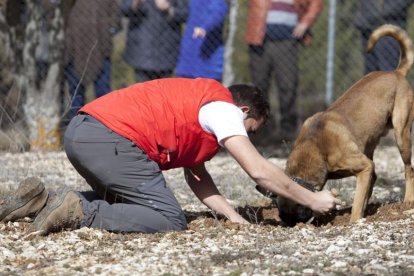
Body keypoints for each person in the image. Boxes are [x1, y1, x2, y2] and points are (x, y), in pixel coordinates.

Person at [0, 78, 341, 234]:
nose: (246, 135)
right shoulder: (223, 111)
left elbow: (198, 178)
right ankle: (80, 210)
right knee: (168, 219)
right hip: (110, 138)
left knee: (130, 203)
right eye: (251, 128)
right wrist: (312, 199)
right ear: (244, 110)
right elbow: (259, 171)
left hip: (82, 132)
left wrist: (233, 218)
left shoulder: (200, 108)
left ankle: (41, 202)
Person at [245, 0, 323, 142]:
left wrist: (305, 23)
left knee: (288, 86)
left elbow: (316, 4)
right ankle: (260, 131)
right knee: (259, 87)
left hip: (287, 42)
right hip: (259, 40)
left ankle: (288, 132)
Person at [63, 0, 121, 124]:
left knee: (103, 93)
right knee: (76, 93)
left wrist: (110, 28)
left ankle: (105, 126)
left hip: (101, 44)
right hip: (74, 45)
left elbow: (115, 14)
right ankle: (76, 128)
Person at [121, 0, 188, 82]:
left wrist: (169, 9)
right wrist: (136, 3)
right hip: (142, 48)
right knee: (143, 91)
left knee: (163, 91)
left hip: (167, 48)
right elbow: (124, 9)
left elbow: (185, 13)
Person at [353, 0, 414, 74]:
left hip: (389, 28)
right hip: (367, 28)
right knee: (370, 77)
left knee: (388, 75)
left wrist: (382, 11)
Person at [175, 0, 229, 82]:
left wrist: (205, 27)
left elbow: (219, 13)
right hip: (190, 53)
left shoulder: (216, 2)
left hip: (209, 57)